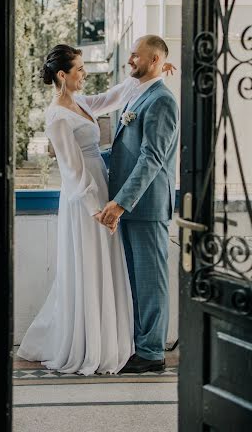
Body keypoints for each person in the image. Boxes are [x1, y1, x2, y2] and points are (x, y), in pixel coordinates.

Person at [17, 43, 175, 375]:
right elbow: (73, 171)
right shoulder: (57, 115)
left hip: (108, 195)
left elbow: (112, 97)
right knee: (91, 267)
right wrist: (96, 209)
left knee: (114, 270)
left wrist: (157, 73)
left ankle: (117, 342)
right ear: (63, 75)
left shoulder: (81, 103)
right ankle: (91, 343)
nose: (85, 73)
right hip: (86, 200)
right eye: (79, 68)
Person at [98, 35, 179, 374]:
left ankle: (152, 352)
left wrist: (119, 203)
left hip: (145, 207)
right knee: (135, 280)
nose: (129, 60)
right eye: (130, 54)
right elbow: (123, 150)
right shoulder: (139, 94)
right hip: (132, 207)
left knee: (150, 280)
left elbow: (151, 159)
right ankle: (140, 344)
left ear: (156, 59)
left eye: (135, 55)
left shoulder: (161, 101)